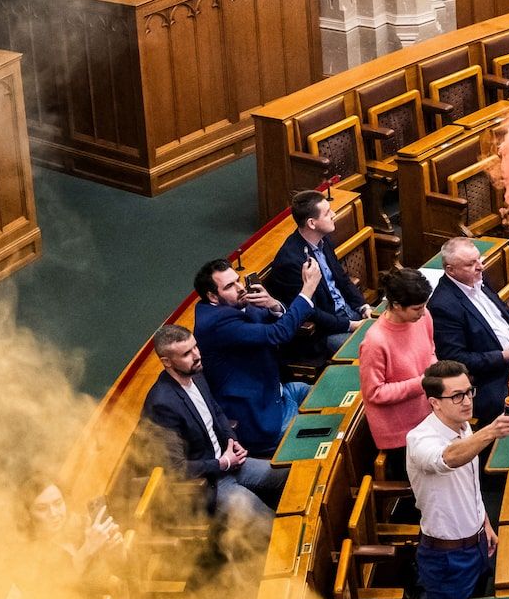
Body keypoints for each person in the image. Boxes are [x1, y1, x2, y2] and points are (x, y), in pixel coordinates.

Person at [141, 325, 287, 549]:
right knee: (269, 523)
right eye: (187, 354)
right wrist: (222, 462)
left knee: (288, 476)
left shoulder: (196, 374)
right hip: (208, 484)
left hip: (231, 463)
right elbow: (175, 468)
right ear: (167, 362)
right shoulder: (161, 404)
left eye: (195, 347)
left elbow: (216, 412)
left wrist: (232, 441)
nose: (197, 355)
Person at [406, 360, 509, 599]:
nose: (467, 401)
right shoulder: (419, 439)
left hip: (478, 545)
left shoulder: (464, 427)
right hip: (446, 559)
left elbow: (468, 485)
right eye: (457, 396)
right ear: (435, 403)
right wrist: (491, 431)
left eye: (469, 392)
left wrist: (484, 521)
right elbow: (448, 459)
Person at [192, 257, 348, 458]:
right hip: (261, 416)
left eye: (238, 280)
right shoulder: (216, 323)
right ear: (213, 297)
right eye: (230, 286)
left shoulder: (235, 304)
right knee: (331, 438)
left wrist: (273, 305)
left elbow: (268, 321)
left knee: (338, 398)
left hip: (279, 391)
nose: (240, 288)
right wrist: (307, 290)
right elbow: (277, 334)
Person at [428, 237, 509, 425]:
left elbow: (504, 314)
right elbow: (455, 359)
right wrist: (503, 356)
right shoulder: (443, 305)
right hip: (491, 378)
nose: (480, 266)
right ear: (450, 270)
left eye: (479, 259)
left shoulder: (478, 277)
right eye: (471, 264)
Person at [262, 189, 367, 356]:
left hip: (349, 312)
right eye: (327, 213)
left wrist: (363, 306)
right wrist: (351, 325)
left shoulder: (323, 239)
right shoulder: (291, 261)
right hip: (325, 332)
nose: (333, 214)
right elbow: (311, 312)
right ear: (312, 223)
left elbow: (342, 279)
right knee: (373, 350)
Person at [357, 268, 438, 478]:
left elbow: (430, 350)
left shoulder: (423, 316)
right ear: (395, 305)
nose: (422, 312)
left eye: (424, 306)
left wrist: (433, 371)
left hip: (429, 413)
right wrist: (421, 383)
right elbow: (374, 393)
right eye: (416, 308)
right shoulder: (375, 342)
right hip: (401, 431)